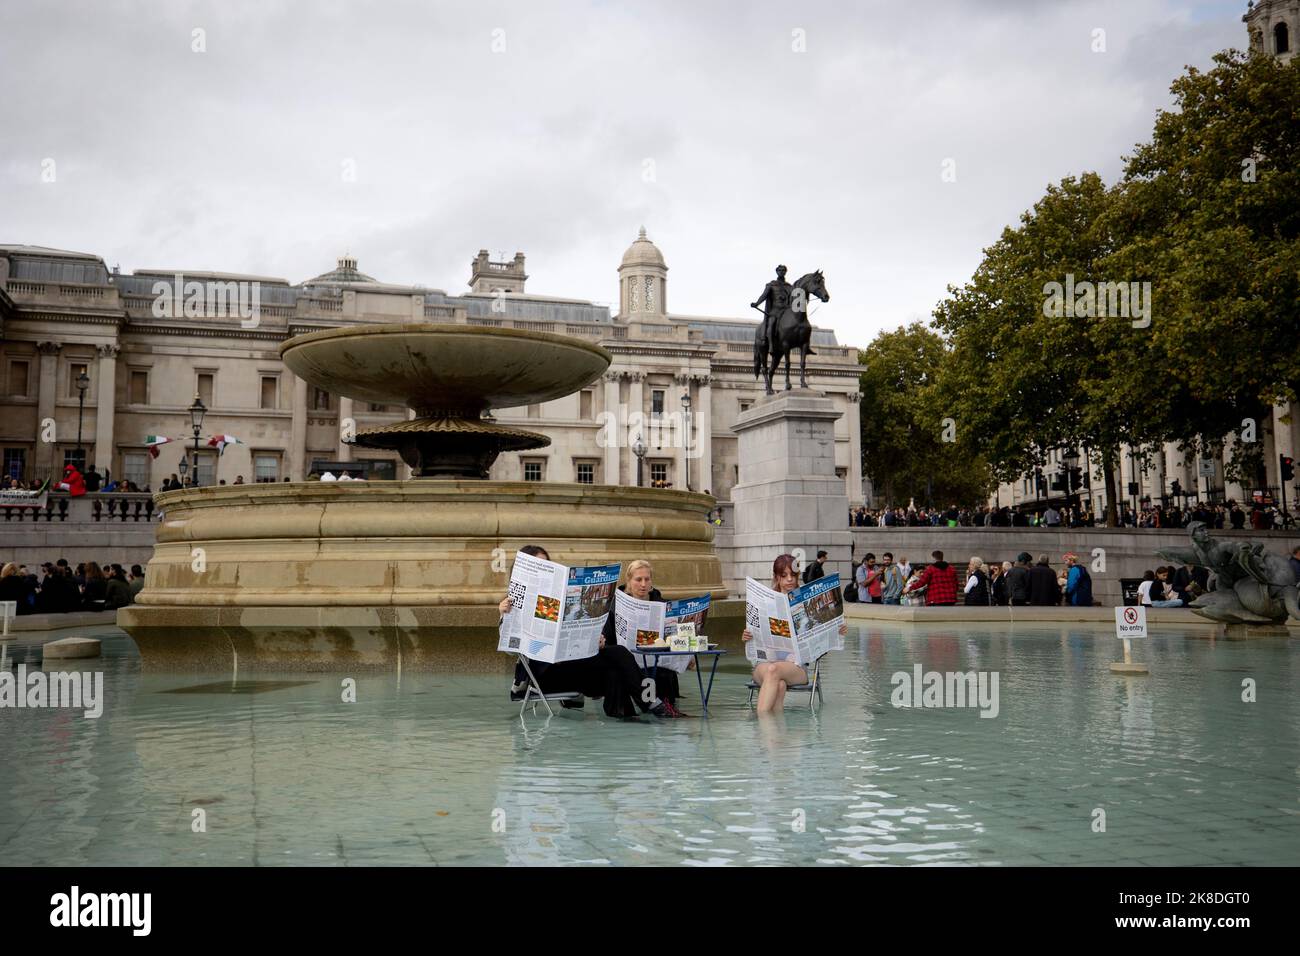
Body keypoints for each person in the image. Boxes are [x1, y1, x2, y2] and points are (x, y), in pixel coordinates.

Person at [498, 546, 677, 720]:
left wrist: (594, 640)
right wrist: (503, 616)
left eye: (548, 564)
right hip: (548, 675)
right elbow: (511, 650)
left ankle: (627, 715)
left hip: (576, 665)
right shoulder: (512, 603)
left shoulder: (556, 600)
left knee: (617, 658)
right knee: (616, 662)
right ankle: (652, 703)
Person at [742, 554, 846, 714]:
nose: (789, 579)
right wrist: (747, 636)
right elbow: (755, 635)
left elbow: (820, 640)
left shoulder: (804, 602)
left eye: (793, 575)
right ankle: (773, 734)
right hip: (765, 664)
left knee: (773, 671)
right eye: (784, 575)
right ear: (777, 577)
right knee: (779, 683)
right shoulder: (765, 602)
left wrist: (836, 630)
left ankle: (761, 726)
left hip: (796, 668)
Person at [599, 559, 688, 714]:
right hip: (627, 659)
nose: (643, 584)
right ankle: (650, 705)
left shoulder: (663, 605)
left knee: (661, 664)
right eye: (638, 579)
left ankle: (661, 705)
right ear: (629, 581)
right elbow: (607, 636)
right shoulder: (615, 605)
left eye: (647, 579)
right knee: (618, 667)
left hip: (656, 660)